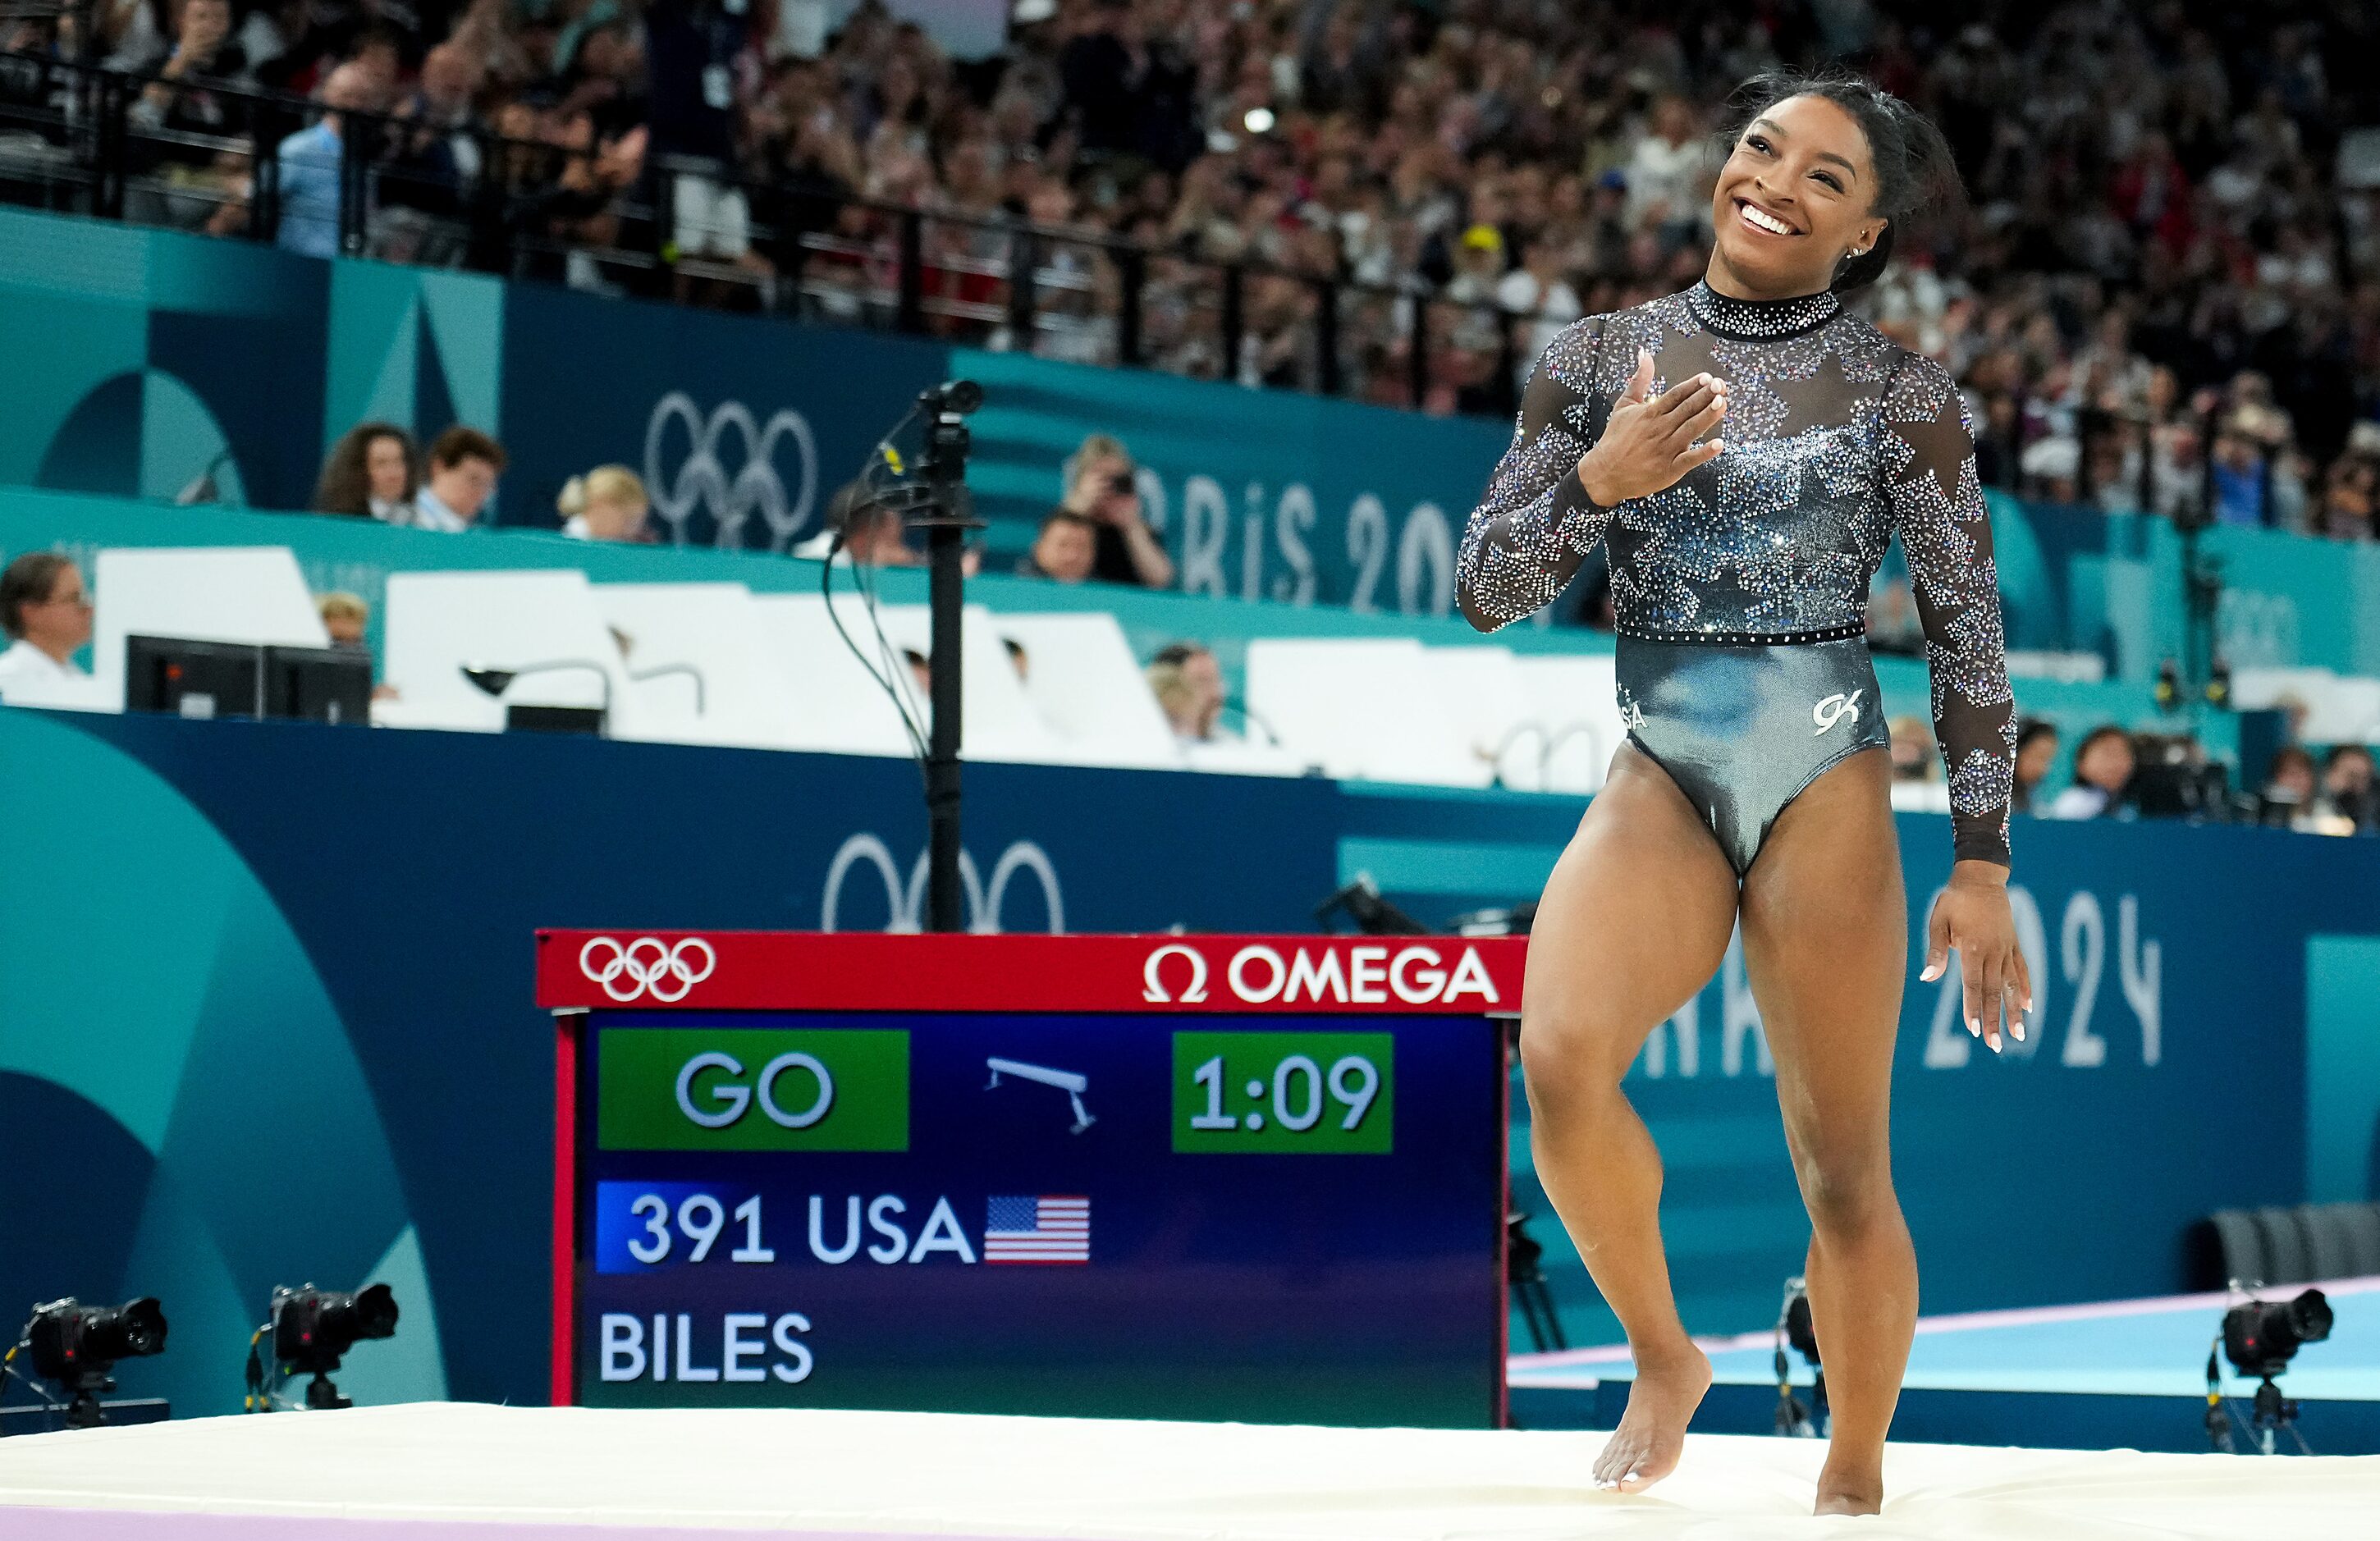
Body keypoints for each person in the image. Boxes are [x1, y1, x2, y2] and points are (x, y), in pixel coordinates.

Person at [1453, 71, 2022, 1517]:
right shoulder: (1599, 355)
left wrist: (1983, 861)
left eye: (1826, 177)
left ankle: (1853, 1471)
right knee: (1562, 1058)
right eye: (1763, 150)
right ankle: (1664, 1351)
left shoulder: (1902, 394)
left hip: (1823, 768)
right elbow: (1481, 592)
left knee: (1842, 1173)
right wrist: (1597, 479)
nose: (1775, 182)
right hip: (1662, 763)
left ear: (1869, 232)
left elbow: (1967, 631)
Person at [274, 62, 377, 259]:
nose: (354, 105)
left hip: (348, 271)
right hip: (299, 264)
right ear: (328, 96)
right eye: (347, 95)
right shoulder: (298, 149)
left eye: (362, 98)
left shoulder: (365, 161)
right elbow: (259, 198)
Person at [1053, 435, 1174, 588]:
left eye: (1117, 481)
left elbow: (1160, 579)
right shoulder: (1067, 521)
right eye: (1103, 480)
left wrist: (1131, 525)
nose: (1110, 489)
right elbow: (1050, 563)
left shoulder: (1139, 531)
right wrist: (1080, 505)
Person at [0, 551, 94, 699]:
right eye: (74, 599)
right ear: (30, 612)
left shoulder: (81, 681)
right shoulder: (6, 683)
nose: (89, 609)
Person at [401, 426, 507, 531]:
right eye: (473, 480)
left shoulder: (473, 533)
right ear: (439, 467)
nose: (480, 492)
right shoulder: (402, 519)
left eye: (487, 484)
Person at [312, 423, 419, 520]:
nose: (393, 473)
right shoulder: (338, 520)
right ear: (359, 471)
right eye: (381, 463)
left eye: (399, 462)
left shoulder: (420, 518)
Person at [1146, 641, 1228, 743]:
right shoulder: (1141, 745)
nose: (1215, 691)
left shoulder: (1229, 745)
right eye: (1202, 680)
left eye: (1216, 679)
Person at [2047, 725, 2136, 818]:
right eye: (2108, 753)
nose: (2116, 763)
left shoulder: (2131, 808)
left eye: (2123, 754)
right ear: (2081, 762)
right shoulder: (2073, 804)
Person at [557, 466, 651, 541]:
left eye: (638, 523)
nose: (634, 532)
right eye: (630, 521)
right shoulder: (570, 546)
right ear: (600, 506)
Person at [1014, 509, 1097, 583]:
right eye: (1063, 545)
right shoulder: (1020, 591)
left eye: (1082, 548)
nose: (1072, 556)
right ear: (1038, 548)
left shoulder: (1102, 594)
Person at [2010, 719, 2060, 815]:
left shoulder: (2030, 798)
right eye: (2038, 756)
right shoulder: (1991, 796)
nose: (2044, 768)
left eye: (2048, 760)